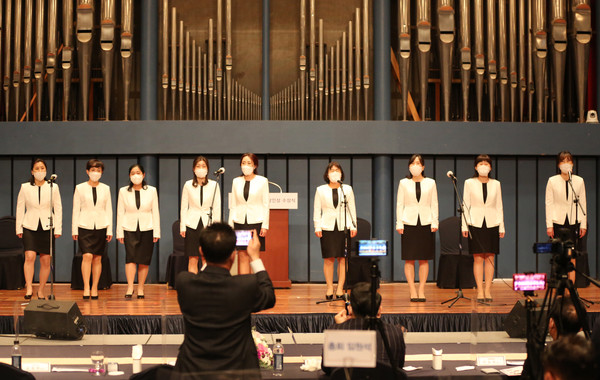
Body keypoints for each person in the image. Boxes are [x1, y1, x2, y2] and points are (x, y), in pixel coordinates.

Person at [173, 223, 275, 376]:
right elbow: (269, 297)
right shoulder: (245, 286)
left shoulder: (184, 282)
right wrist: (255, 257)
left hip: (193, 371)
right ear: (233, 255)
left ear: (201, 252)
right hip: (238, 373)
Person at [322, 282, 406, 376]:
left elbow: (327, 368)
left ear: (350, 309)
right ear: (379, 309)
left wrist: (339, 329)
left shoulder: (334, 332)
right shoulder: (396, 332)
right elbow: (398, 367)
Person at [15, 158, 62, 300]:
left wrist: (58, 228)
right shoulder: (25, 187)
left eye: (42, 168)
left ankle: (41, 290)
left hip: (47, 226)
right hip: (29, 225)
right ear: (32, 171)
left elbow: (58, 208)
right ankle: (29, 287)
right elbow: (19, 208)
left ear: (46, 171)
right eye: (37, 168)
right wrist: (19, 227)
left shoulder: (53, 186)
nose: (40, 171)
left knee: (46, 260)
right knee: (29, 256)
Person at [462, 154, 505, 302]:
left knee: (490, 257)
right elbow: (465, 205)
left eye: (486, 164)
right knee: (478, 258)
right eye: (480, 163)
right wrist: (464, 225)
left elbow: (499, 205)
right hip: (475, 223)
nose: (483, 166)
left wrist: (501, 226)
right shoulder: (469, 183)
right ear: (475, 166)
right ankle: (480, 290)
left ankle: (488, 290)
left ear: (490, 167)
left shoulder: (496, 184)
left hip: (492, 223)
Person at [396, 154, 438, 302]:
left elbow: (434, 203)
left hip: (426, 222)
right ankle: (412, 289)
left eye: (418, 163)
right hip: (408, 222)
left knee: (424, 259)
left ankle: (421, 289)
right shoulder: (403, 183)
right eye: (413, 163)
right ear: (409, 166)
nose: (416, 165)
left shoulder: (431, 183)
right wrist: (399, 222)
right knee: (409, 259)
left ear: (423, 167)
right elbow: (400, 204)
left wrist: (435, 221)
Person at [314, 162, 357, 300]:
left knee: (342, 259)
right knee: (328, 259)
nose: (334, 173)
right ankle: (329, 287)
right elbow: (317, 210)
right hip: (327, 226)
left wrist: (353, 225)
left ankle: (340, 288)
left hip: (344, 227)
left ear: (341, 173)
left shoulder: (347, 189)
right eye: (331, 170)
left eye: (337, 170)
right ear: (327, 174)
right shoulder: (320, 190)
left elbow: (352, 209)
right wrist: (317, 226)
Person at [116, 164, 160, 299]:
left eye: (138, 172)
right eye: (133, 173)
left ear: (144, 174)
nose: (136, 175)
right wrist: (119, 232)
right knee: (130, 258)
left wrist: (156, 232)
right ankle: (130, 287)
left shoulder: (152, 190)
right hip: (129, 228)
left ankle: (141, 287)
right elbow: (120, 212)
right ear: (130, 176)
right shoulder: (123, 191)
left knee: (144, 260)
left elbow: (155, 211)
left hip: (147, 228)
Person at [72, 159, 113, 299]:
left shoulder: (106, 188)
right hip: (84, 225)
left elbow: (109, 210)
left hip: (101, 225)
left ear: (101, 173)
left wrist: (109, 229)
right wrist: (74, 230)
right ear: (87, 171)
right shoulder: (80, 188)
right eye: (93, 170)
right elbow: (75, 210)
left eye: (98, 170)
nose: (95, 173)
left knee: (97, 258)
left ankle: (95, 287)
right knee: (87, 256)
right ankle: (86, 287)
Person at [545, 150, 587, 284]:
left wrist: (583, 224)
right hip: (558, 221)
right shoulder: (552, 181)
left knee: (572, 254)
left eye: (568, 161)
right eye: (563, 161)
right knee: (559, 254)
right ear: (558, 164)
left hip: (574, 221)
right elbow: (549, 203)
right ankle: (559, 287)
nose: (566, 164)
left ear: (573, 164)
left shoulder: (579, 181)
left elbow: (582, 203)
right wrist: (549, 225)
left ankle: (572, 287)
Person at [228, 153, 269, 275]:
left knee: (254, 255)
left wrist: (265, 225)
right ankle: (243, 285)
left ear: (255, 165)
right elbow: (233, 204)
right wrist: (231, 224)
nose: (246, 166)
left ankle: (254, 285)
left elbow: (265, 204)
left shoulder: (262, 181)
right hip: (240, 222)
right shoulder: (236, 181)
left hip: (256, 221)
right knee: (242, 254)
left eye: (249, 163)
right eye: (243, 163)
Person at [180, 156, 221, 274]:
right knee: (193, 258)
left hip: (208, 225)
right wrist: (183, 226)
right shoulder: (188, 185)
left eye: (203, 166)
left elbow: (217, 208)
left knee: (206, 257)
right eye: (198, 166)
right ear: (193, 169)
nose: (201, 169)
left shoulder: (214, 185)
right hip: (192, 224)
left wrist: (216, 228)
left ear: (207, 169)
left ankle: (206, 285)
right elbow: (183, 207)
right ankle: (193, 287)